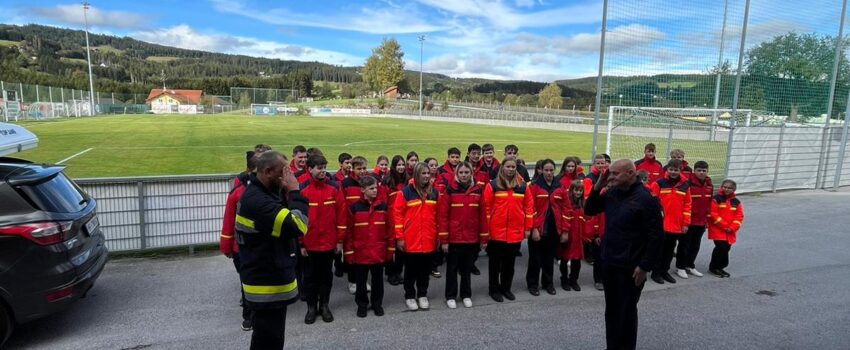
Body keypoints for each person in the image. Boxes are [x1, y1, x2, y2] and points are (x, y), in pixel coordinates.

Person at [585, 159, 663, 350]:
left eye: (614, 173)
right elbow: (590, 209)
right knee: (611, 311)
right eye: (609, 173)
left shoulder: (646, 199)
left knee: (626, 313)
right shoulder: (613, 192)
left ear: (630, 173)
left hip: (630, 268)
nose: (610, 177)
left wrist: (645, 266)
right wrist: (598, 185)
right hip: (609, 261)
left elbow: (656, 236)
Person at [235, 151, 308, 350]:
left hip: (268, 279)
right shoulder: (258, 201)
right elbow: (297, 226)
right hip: (265, 285)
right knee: (268, 340)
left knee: (270, 338)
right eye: (283, 171)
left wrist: (284, 191)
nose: (288, 175)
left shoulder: (261, 192)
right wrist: (294, 191)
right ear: (267, 172)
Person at [298, 154, 346, 324]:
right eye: (319, 168)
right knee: (310, 278)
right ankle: (311, 308)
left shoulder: (334, 188)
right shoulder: (302, 189)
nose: (323, 171)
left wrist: (339, 241)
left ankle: (324, 306)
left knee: (326, 277)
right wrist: (301, 243)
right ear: (309, 169)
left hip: (328, 243)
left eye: (324, 167)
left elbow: (341, 215)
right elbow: (297, 218)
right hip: (309, 245)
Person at [393, 162, 445, 311]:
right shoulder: (405, 192)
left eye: (428, 173)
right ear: (416, 174)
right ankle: (409, 296)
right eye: (423, 173)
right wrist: (400, 237)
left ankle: (422, 294)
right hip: (411, 239)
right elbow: (397, 216)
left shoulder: (434, 193)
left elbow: (438, 217)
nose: (427, 176)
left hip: (428, 239)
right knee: (410, 271)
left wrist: (438, 236)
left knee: (424, 271)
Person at [483, 157, 535, 302]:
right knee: (494, 264)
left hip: (515, 232)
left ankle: (506, 288)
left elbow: (529, 208)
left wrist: (528, 228)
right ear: (502, 168)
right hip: (496, 232)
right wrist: (486, 230)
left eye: (513, 167)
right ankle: (493, 289)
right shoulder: (492, 185)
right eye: (508, 166)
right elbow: (486, 209)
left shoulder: (523, 186)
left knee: (509, 264)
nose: (511, 169)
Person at [344, 176, 394, 317]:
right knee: (361, 282)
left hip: (378, 251)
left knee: (378, 281)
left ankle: (377, 303)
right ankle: (362, 304)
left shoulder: (383, 207)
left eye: (376, 188)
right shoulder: (354, 208)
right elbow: (349, 232)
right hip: (361, 252)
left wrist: (390, 249)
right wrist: (349, 252)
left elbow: (390, 229)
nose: (374, 191)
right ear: (363, 190)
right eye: (371, 188)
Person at [438, 161, 486, 309]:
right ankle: (450, 295)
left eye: (467, 172)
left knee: (466, 269)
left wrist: (483, 238)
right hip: (454, 238)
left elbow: (483, 216)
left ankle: (466, 294)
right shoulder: (449, 191)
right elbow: (443, 216)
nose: (464, 175)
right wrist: (444, 240)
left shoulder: (478, 190)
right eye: (461, 173)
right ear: (456, 174)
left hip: (471, 238)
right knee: (452, 269)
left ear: (471, 173)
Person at [221, 150, 260, 331]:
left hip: (262, 246)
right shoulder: (238, 193)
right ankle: (248, 314)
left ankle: (258, 311)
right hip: (242, 247)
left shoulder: (273, 190)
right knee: (247, 281)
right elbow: (229, 220)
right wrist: (227, 246)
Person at [649, 159, 692, 285]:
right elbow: (652, 203)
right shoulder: (659, 183)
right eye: (671, 169)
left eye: (676, 170)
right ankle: (656, 273)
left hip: (677, 224)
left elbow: (687, 205)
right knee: (659, 249)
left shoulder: (685, 185)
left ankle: (664, 271)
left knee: (669, 250)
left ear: (680, 170)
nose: (673, 172)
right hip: (661, 223)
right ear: (666, 170)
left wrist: (685, 223)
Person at [526, 159, 561, 296]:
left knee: (549, 258)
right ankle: (533, 284)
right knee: (535, 259)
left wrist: (563, 230)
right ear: (541, 170)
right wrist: (534, 228)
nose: (549, 173)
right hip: (538, 228)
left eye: (551, 170)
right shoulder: (533, 186)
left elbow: (565, 208)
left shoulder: (559, 186)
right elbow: (530, 208)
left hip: (553, 228)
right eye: (546, 170)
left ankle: (548, 283)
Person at [555, 180, 594, 292]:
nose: (578, 193)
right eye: (576, 190)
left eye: (580, 190)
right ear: (571, 190)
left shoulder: (583, 205)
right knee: (564, 258)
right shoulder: (567, 204)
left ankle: (574, 280)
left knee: (577, 260)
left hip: (578, 237)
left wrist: (586, 235)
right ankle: (564, 279)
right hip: (568, 235)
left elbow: (587, 220)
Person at [341, 156, 370, 293]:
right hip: (351, 223)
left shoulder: (369, 182)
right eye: (359, 169)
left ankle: (363, 280)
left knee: (364, 253)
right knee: (351, 253)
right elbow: (342, 205)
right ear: (352, 169)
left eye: (364, 168)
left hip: (365, 223)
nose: (362, 171)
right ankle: (352, 281)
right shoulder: (346, 183)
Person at [679, 161, 713, 278]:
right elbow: (683, 202)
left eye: (704, 171)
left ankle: (690, 265)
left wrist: (707, 220)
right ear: (694, 171)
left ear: (707, 172)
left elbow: (709, 203)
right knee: (685, 244)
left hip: (701, 220)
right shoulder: (687, 183)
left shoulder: (709, 184)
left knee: (695, 244)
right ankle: (681, 267)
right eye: (699, 170)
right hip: (689, 220)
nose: (701, 173)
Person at [708, 179, 744, 278]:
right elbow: (713, 214)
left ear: (734, 189)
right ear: (721, 187)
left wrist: (732, 227)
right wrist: (725, 226)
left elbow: (739, 216)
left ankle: (720, 267)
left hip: (729, 231)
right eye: (725, 187)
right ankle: (714, 267)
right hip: (718, 229)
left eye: (729, 188)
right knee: (721, 247)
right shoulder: (716, 199)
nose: (727, 189)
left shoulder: (736, 202)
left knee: (726, 248)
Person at [382, 155, 408, 286]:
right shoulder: (387, 181)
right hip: (390, 219)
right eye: (398, 165)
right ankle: (390, 273)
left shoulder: (408, 180)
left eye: (403, 165)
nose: (401, 167)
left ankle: (398, 271)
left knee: (401, 248)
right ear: (394, 166)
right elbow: (383, 201)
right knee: (391, 248)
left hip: (404, 219)